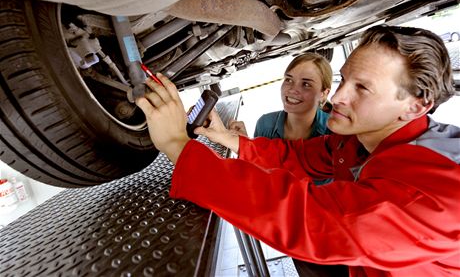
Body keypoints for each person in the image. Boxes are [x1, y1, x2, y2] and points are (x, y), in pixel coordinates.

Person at [136, 25, 460, 276]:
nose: (338, 98)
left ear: (416, 105)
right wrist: (230, 140)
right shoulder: (358, 138)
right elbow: (297, 158)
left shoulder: (437, 191)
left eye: (362, 87)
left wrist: (177, 145)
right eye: (344, 79)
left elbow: (309, 220)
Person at [229, 53, 347, 276]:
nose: (292, 89)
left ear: (324, 94)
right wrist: (243, 144)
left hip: (332, 231)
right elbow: (259, 179)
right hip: (293, 231)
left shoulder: (334, 132)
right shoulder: (266, 123)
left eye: (306, 84)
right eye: (289, 79)